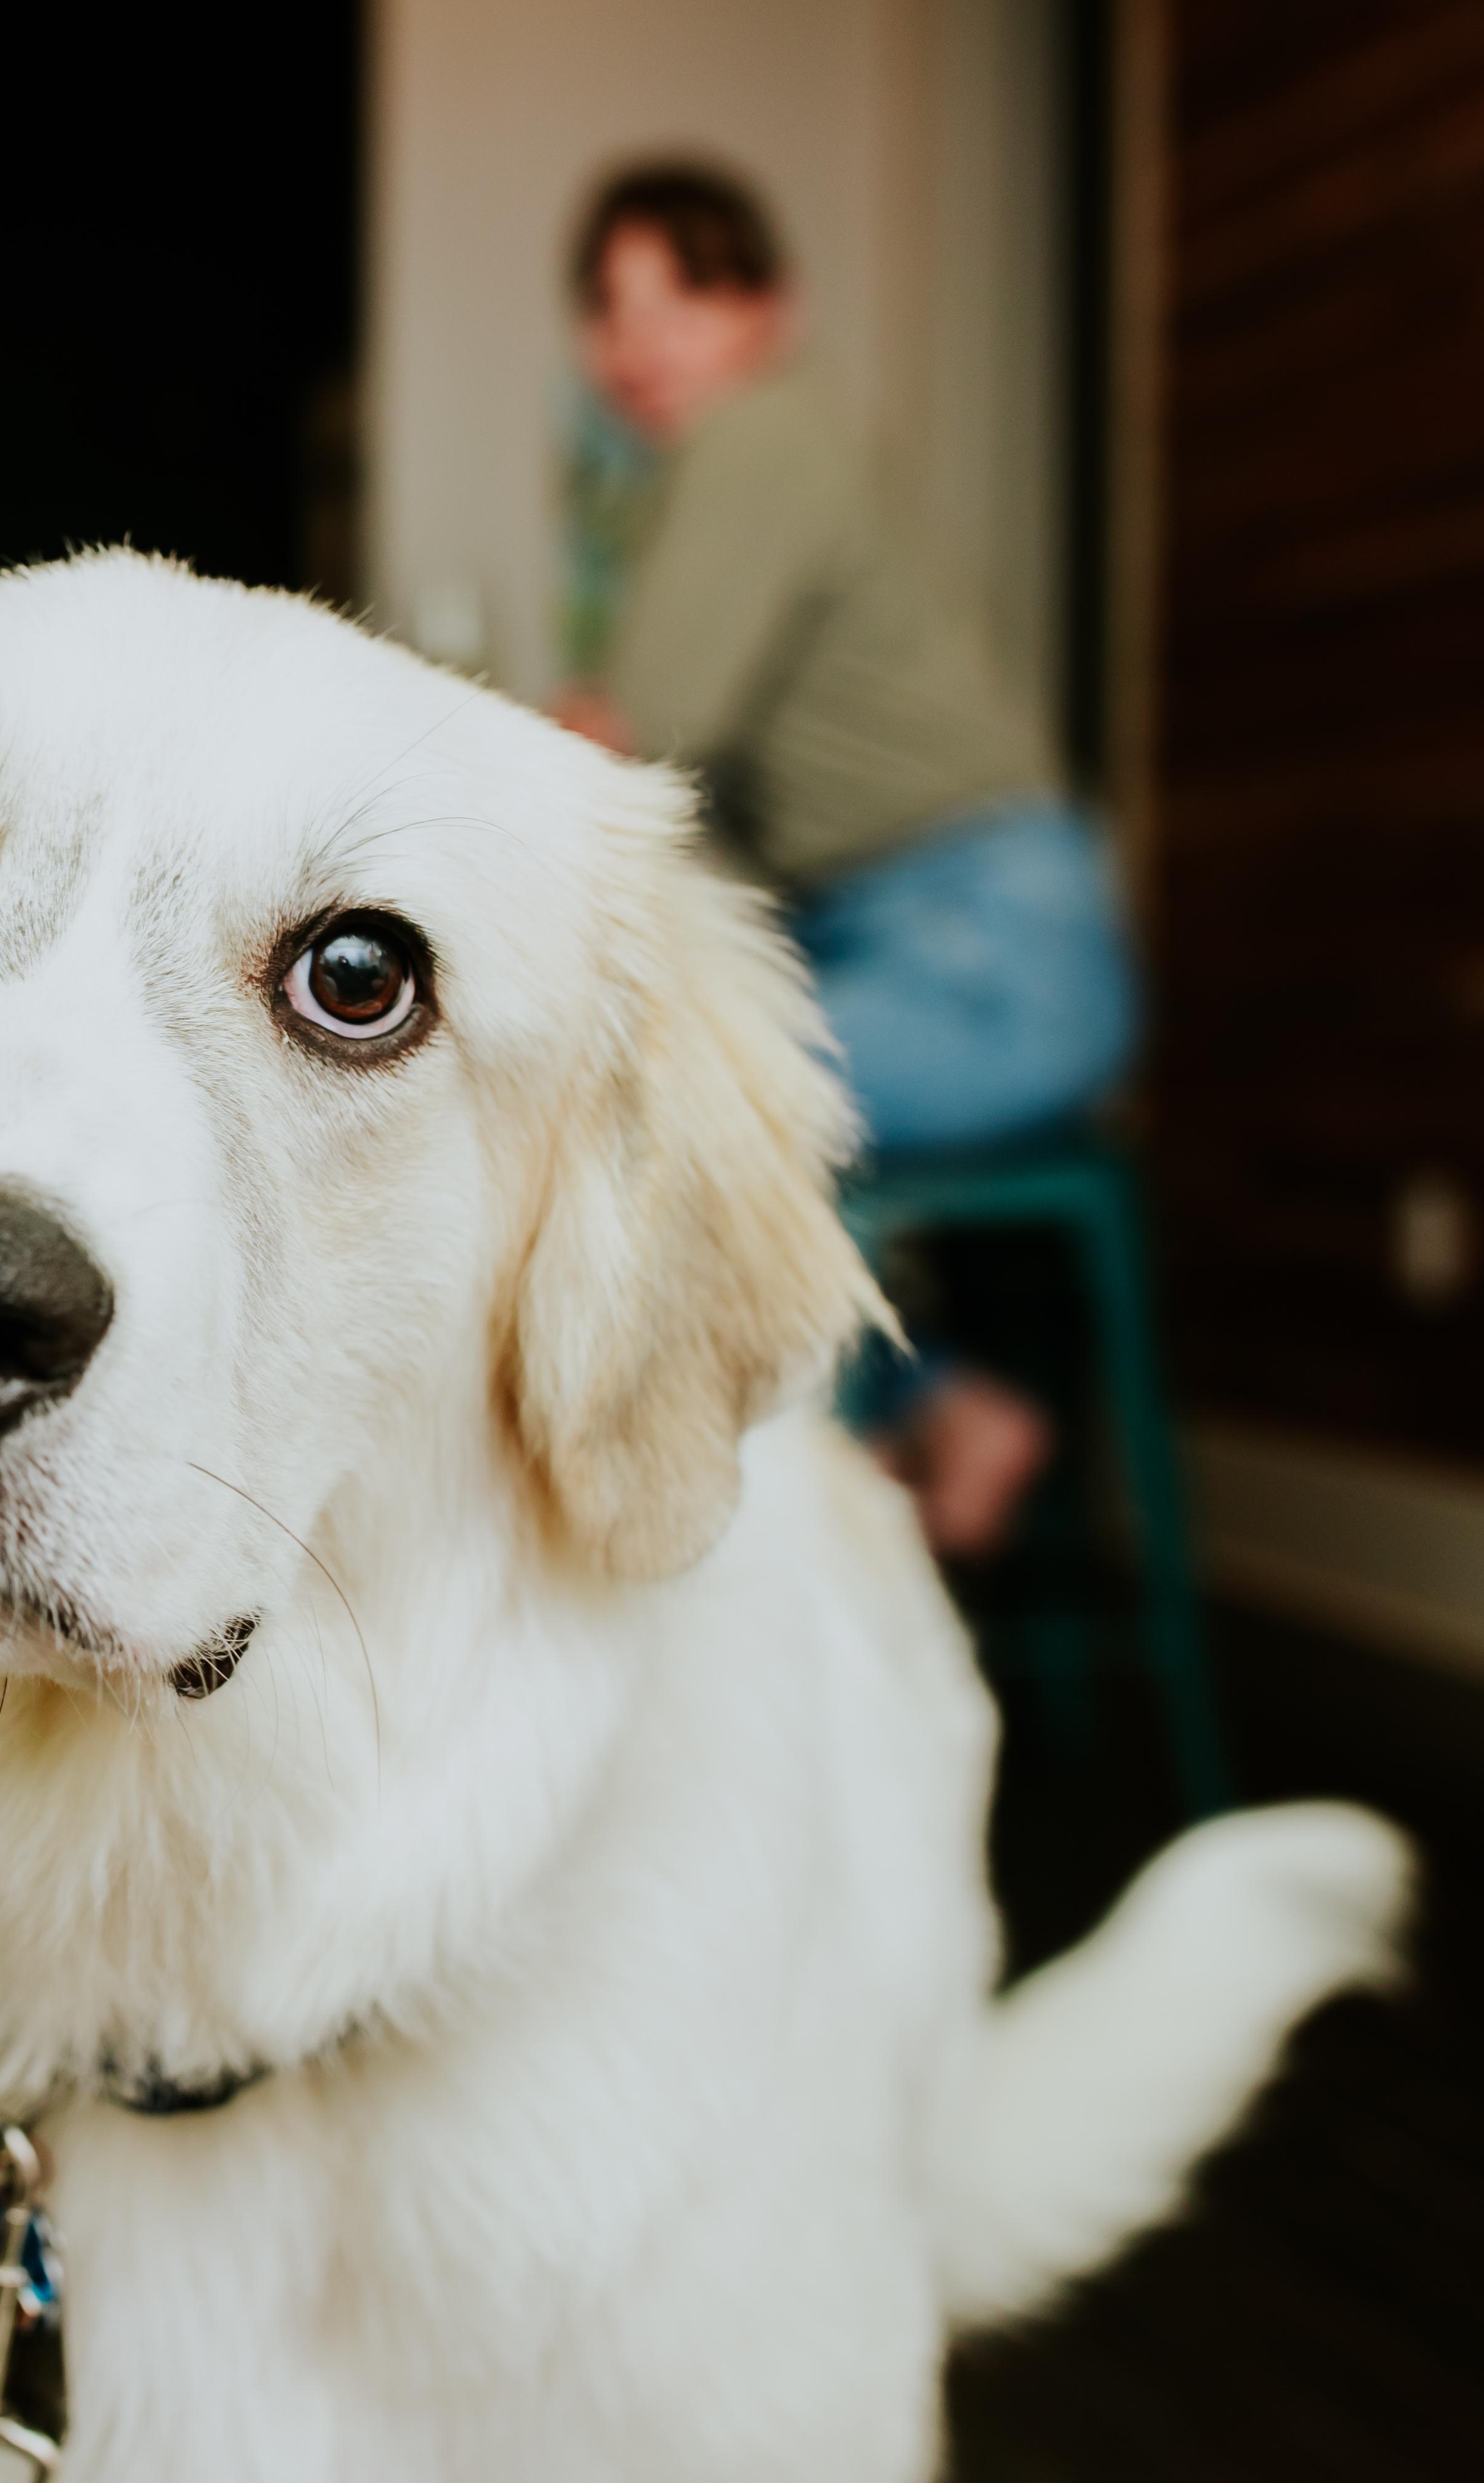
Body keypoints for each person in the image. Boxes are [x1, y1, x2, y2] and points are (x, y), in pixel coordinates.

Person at [553, 161, 1133, 1558]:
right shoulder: (750, 459)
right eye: (606, 308)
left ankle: (798, 1518)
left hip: (985, 959)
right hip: (980, 944)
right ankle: (957, 1406)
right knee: (691, 1085)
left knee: (680, 1107)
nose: (638, 343)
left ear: (773, 310)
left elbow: (626, 737)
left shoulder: (755, 442)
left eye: (683, 295)